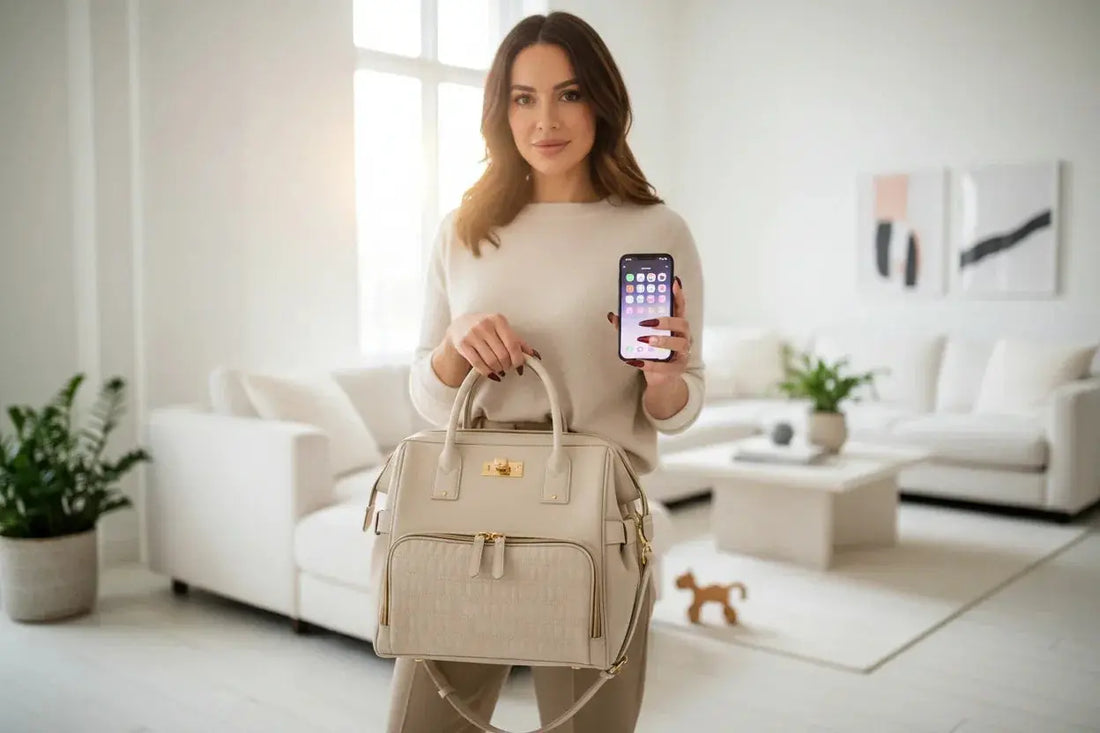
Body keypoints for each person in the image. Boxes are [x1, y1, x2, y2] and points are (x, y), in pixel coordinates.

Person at [387, 10, 705, 733]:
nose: (545, 119)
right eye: (523, 98)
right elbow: (426, 394)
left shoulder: (656, 231)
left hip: (594, 514)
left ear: (601, 100)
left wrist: (663, 374)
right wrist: (454, 344)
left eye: (568, 93)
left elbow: (679, 404)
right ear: (501, 112)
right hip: (467, 505)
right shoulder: (464, 228)